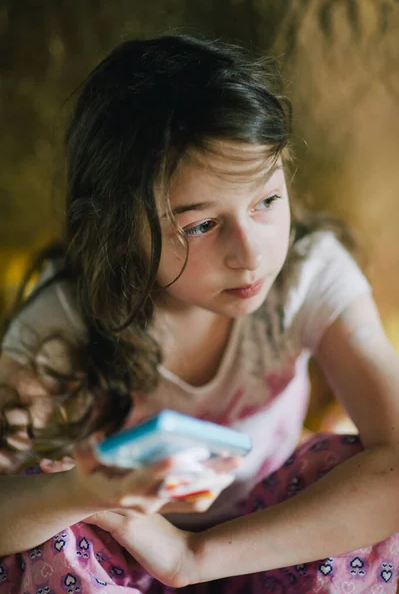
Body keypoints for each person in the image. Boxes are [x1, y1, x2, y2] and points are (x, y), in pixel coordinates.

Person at [1, 33, 399, 594]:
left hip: (265, 541)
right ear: (121, 235)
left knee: (363, 488)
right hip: (121, 552)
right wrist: (77, 493)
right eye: (201, 226)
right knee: (42, 530)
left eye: (266, 201)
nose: (251, 252)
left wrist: (194, 556)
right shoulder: (67, 318)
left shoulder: (310, 275)